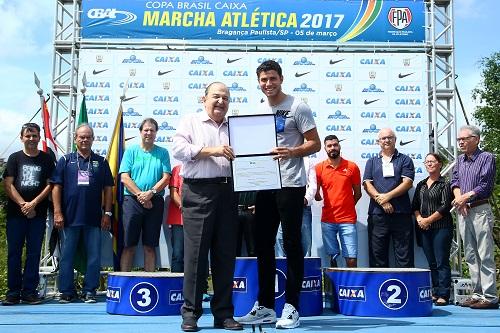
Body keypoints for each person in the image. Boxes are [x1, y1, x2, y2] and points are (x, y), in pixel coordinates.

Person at [238, 60, 321, 329]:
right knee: (262, 244)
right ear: (258, 82)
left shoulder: (298, 106)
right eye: (263, 80)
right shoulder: (258, 109)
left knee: (293, 244)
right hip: (265, 184)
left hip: (291, 184)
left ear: (281, 79)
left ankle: (292, 307)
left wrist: (292, 152)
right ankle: (264, 306)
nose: (268, 84)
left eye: (272, 78)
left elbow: (315, 143)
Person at [173, 82, 242, 331]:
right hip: (198, 191)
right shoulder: (190, 121)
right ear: (204, 99)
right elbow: (179, 149)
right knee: (196, 256)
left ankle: (224, 313)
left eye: (225, 98)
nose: (221, 101)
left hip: (228, 192)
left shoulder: (236, 126)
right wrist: (213, 150)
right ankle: (190, 313)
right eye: (216, 96)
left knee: (225, 255)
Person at [52, 124, 113, 303]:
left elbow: (108, 189)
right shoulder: (65, 160)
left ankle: (89, 290)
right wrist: (57, 212)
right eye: (81, 137)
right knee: (67, 257)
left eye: (88, 137)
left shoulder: (101, 162)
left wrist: (107, 213)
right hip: (69, 218)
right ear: (75, 138)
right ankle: (66, 291)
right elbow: (56, 187)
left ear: (93, 139)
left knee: (94, 257)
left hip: (94, 218)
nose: (84, 140)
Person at [2, 123, 55, 305]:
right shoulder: (14, 158)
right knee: (14, 253)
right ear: (22, 137)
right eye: (28, 136)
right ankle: (13, 292)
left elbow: (50, 185)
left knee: (33, 254)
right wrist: (23, 204)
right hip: (16, 215)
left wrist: (33, 204)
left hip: (37, 215)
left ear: (39, 137)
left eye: (35, 136)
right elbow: (8, 184)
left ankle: (30, 292)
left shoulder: (47, 159)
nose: (32, 139)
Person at [451, 125, 498, 309]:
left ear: (476, 139)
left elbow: (485, 185)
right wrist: (459, 199)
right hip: (464, 211)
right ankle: (477, 294)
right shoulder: (459, 160)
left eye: (465, 139)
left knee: (485, 253)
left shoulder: (486, 157)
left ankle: (490, 296)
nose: (461, 142)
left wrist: (465, 197)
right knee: (470, 254)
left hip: (480, 209)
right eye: (459, 140)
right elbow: (455, 182)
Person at [119, 118, 171, 272]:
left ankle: (150, 281)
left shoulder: (163, 152)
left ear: (156, 133)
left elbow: (166, 177)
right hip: (132, 201)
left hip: (155, 201)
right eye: (146, 130)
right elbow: (124, 177)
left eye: (152, 130)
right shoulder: (131, 151)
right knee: (129, 245)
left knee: (150, 246)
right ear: (140, 132)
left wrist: (151, 193)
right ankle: (124, 283)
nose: (149, 133)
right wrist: (141, 196)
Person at [362, 127, 415, 268]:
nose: (386, 140)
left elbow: (408, 183)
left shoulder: (405, 160)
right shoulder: (371, 162)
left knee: (404, 256)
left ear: (395, 140)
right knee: (377, 255)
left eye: (389, 137)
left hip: (401, 215)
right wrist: (382, 201)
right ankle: (378, 289)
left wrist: (387, 197)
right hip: (377, 215)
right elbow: (367, 184)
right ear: (378, 142)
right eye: (383, 138)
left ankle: (405, 287)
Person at [412, 153, 453, 306]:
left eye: (432, 161)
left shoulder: (445, 184)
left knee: (442, 261)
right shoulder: (421, 184)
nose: (429, 164)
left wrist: (428, 220)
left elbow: (445, 206)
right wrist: (420, 219)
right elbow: (415, 206)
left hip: (441, 228)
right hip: (423, 228)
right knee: (432, 263)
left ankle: (444, 294)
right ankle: (435, 292)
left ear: (439, 164)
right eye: (427, 161)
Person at [315, 135, 361, 268]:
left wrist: (347, 206)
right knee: (332, 258)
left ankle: (352, 287)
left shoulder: (352, 167)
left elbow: (358, 193)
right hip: (328, 220)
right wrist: (317, 195)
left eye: (335, 145)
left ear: (339, 146)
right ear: (325, 148)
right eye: (329, 146)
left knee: (351, 258)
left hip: (348, 220)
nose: (332, 148)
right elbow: (315, 192)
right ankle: (334, 287)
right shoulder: (319, 168)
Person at [275, 156, 317, 257]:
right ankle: (282, 269)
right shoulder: (278, 159)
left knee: (305, 241)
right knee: (280, 239)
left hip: (303, 207)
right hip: (283, 206)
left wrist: (306, 199)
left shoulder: (307, 161)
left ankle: (306, 269)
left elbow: (313, 185)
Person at [166, 164, 184, 273]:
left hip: (199, 218)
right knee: (178, 254)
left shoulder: (203, 169)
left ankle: (202, 287)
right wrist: (186, 209)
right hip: (179, 219)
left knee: (199, 254)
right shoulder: (177, 169)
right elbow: (173, 194)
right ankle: (176, 286)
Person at [236, 191, 257, 257]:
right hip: (234, 209)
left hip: (251, 209)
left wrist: (259, 204)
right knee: (234, 247)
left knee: (252, 247)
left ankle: (253, 266)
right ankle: (235, 267)